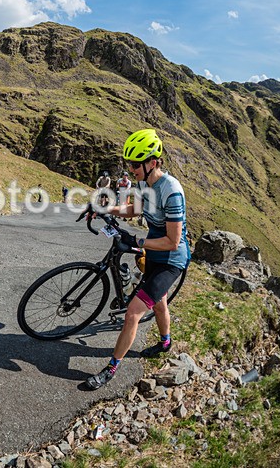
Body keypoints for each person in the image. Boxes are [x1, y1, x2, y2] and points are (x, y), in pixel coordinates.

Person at [84, 129, 190, 390]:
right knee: (159, 302)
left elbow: (173, 241)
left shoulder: (171, 190)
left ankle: (111, 368)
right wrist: (107, 209)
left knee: (132, 313)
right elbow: (135, 209)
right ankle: (166, 342)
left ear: (152, 162)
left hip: (171, 259)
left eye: (135, 164)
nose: (130, 170)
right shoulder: (144, 184)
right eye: (128, 164)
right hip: (154, 253)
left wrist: (139, 242)